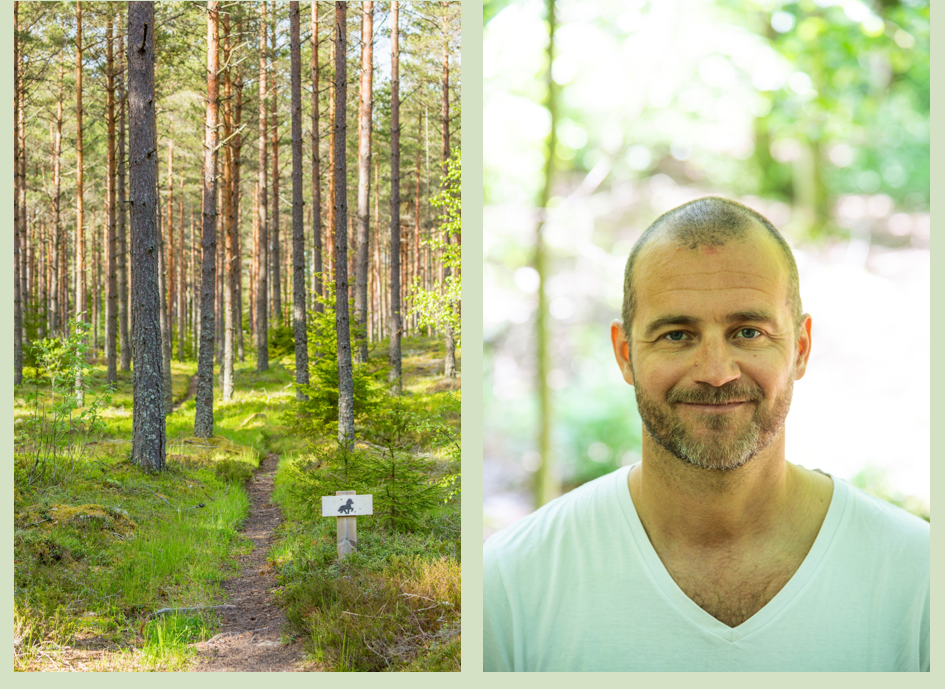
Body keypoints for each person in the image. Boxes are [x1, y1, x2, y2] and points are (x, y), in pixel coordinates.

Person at [483, 197, 929, 672]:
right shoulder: (511, 586)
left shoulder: (919, 579)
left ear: (800, 348)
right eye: (677, 335)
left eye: (748, 332)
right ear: (625, 353)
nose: (716, 372)